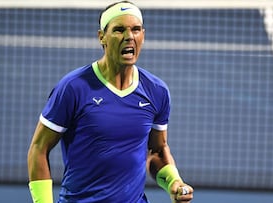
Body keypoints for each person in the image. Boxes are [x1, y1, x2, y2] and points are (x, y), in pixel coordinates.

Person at [27, 1, 193, 203]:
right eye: (119, 30)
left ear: (143, 35)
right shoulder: (73, 88)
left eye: (136, 29)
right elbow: (39, 148)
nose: (129, 37)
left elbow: (157, 151)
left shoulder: (156, 91)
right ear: (102, 38)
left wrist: (174, 182)